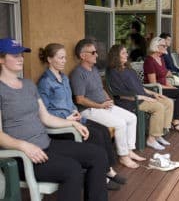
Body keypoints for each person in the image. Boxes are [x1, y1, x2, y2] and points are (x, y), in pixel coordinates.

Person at [0, 38, 108, 201]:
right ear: (1, 59)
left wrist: (72, 123)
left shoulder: (29, 85)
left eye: (21, 54)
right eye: (14, 55)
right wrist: (24, 146)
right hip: (21, 156)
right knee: (72, 169)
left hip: (46, 144)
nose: (20, 58)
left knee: (98, 154)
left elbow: (46, 118)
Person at [37, 43, 126, 190]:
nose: (64, 61)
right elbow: (44, 111)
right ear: (49, 59)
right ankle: (104, 176)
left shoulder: (64, 78)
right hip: (62, 125)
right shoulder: (45, 82)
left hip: (75, 118)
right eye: (60, 58)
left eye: (65, 57)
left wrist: (75, 111)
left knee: (103, 131)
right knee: (95, 135)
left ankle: (108, 170)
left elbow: (69, 102)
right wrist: (66, 119)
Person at [70, 39, 146, 169]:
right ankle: (123, 156)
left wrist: (108, 100)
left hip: (103, 105)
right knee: (120, 123)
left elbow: (101, 89)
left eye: (96, 52)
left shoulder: (93, 70)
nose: (97, 55)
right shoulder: (78, 74)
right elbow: (80, 99)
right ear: (83, 56)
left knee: (132, 118)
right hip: (89, 110)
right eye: (93, 52)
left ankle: (129, 150)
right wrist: (100, 106)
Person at [107, 44, 174, 150]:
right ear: (116, 56)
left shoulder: (129, 69)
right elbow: (119, 94)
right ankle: (151, 140)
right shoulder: (114, 72)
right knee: (158, 107)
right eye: (123, 53)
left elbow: (140, 87)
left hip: (141, 97)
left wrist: (153, 93)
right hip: (130, 101)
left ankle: (159, 134)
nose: (127, 55)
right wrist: (141, 97)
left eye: (126, 52)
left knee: (168, 102)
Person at [144, 37, 179, 134]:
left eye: (166, 46)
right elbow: (153, 83)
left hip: (163, 86)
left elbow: (164, 77)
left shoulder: (160, 59)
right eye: (163, 46)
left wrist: (169, 85)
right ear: (156, 47)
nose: (166, 47)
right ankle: (176, 122)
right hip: (156, 89)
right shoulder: (149, 61)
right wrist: (169, 87)